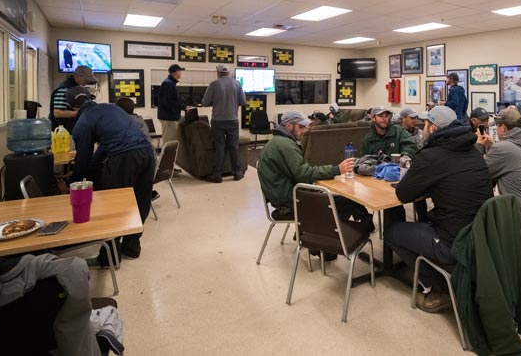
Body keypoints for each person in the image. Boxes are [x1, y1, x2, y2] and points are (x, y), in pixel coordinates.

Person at [385, 106, 493, 313]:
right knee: (421, 224)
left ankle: (437, 287)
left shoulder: (431, 156)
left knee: (391, 232)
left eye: (425, 124)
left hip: (453, 241)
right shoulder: (473, 151)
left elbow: (404, 195)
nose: (423, 127)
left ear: (433, 129)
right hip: (481, 235)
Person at [257, 111, 372, 259]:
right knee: (343, 203)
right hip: (288, 201)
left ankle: (316, 239)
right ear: (288, 125)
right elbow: (304, 173)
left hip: (281, 195)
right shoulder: (285, 145)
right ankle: (324, 246)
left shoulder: (276, 142)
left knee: (339, 201)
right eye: (301, 127)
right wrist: (337, 169)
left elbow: (299, 173)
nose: (304, 131)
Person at [68, 87, 155, 260]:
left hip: (125, 158)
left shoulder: (84, 120)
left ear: (74, 108)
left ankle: (110, 255)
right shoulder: (112, 108)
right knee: (140, 200)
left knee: (114, 204)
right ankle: (132, 246)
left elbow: (83, 161)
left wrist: (73, 184)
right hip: (148, 153)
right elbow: (105, 146)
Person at [475, 109, 521, 227]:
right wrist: (493, 146)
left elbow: (479, 176)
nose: (496, 130)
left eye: (497, 126)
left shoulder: (502, 148)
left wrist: (479, 146)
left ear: (503, 127)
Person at [202, 65, 246, 183]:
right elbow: (243, 101)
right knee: (233, 146)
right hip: (233, 120)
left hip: (218, 121)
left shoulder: (214, 84)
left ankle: (217, 174)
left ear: (218, 72)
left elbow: (205, 102)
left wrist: (216, 101)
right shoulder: (237, 84)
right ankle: (237, 172)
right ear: (228, 72)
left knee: (219, 146)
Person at [49, 65, 96, 134]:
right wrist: (80, 113)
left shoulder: (76, 88)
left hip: (70, 129)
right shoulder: (64, 89)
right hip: (61, 132)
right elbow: (57, 112)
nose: (88, 81)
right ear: (77, 76)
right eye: (86, 78)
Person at [157, 64, 188, 145]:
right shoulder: (168, 84)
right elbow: (169, 102)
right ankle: (167, 158)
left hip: (170, 118)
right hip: (168, 118)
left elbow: (173, 100)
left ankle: (170, 157)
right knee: (169, 143)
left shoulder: (170, 83)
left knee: (172, 142)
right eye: (180, 71)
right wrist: (184, 107)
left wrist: (183, 105)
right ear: (175, 72)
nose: (181, 73)